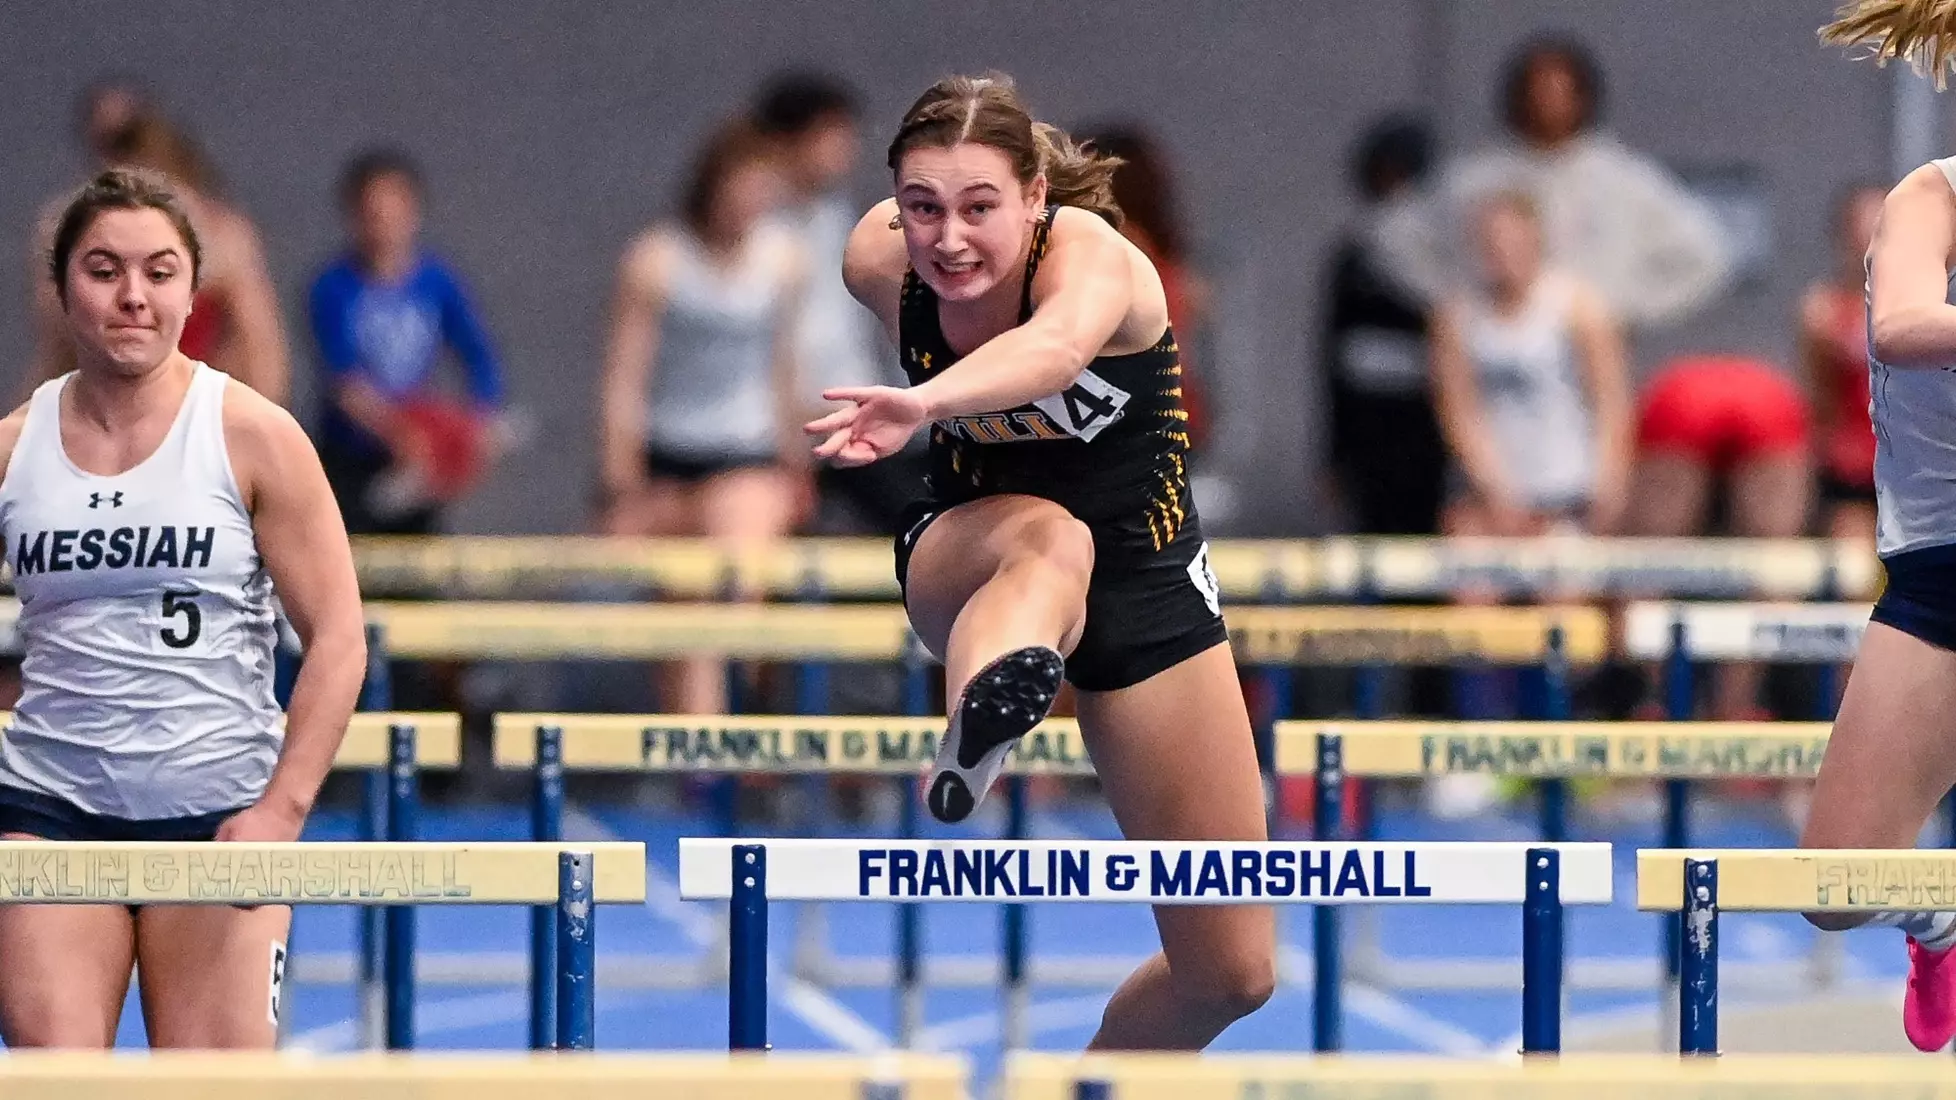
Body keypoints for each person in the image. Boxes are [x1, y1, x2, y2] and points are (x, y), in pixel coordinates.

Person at [810, 73, 1272, 1049]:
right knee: (1049, 539)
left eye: (980, 208)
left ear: (1034, 199)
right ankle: (982, 717)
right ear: (894, 205)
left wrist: (922, 404)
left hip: (1146, 582)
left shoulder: (1096, 256)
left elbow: (1058, 349)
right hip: (969, 545)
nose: (949, 240)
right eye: (923, 209)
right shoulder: (874, 258)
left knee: (1230, 972)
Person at [0, 168, 365, 1047]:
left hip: (219, 816)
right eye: (104, 270)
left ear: (193, 292)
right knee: (56, 1074)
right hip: (51, 811)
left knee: (214, 1082)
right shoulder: (13, 447)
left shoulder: (254, 436)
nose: (133, 296)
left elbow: (340, 638)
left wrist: (283, 810)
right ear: (60, 289)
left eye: (159, 272)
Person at [1807, 0, 1956, 1055]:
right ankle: (1938, 917)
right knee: (1834, 881)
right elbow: (1902, 328)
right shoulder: (1930, 197)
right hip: (1941, 577)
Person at [598, 119, 809, 712]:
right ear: (713, 185)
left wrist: (796, 461)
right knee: (681, 617)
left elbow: (783, 365)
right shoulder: (657, 259)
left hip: (746, 450)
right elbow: (625, 375)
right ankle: (699, 759)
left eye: (762, 190)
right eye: (740, 187)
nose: (750, 203)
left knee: (738, 584)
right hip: (670, 451)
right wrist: (621, 478)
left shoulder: (783, 260)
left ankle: (754, 704)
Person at [308, 149, 509, 534]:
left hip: (416, 464)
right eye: (373, 214)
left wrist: (477, 423)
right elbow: (344, 381)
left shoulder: (438, 282)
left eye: (395, 212)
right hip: (352, 456)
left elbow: (480, 356)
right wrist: (400, 431)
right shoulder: (332, 288)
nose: (385, 226)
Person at [31, 111, 291, 405]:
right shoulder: (69, 230)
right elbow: (59, 345)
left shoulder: (221, 233)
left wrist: (254, 416)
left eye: (159, 272)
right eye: (105, 272)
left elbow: (258, 344)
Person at [1429, 190, 1632, 537]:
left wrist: (1610, 480)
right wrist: (1495, 488)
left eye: (1512, 240)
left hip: (1567, 484)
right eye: (1493, 243)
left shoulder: (1578, 306)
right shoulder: (1458, 315)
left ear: (1535, 238)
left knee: (1564, 589)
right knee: (1473, 577)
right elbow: (1458, 409)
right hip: (1490, 488)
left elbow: (1611, 400)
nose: (1503, 252)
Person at [1323, 114, 1446, 538]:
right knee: (1374, 529)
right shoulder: (1354, 253)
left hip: (1427, 421)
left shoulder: (1446, 249)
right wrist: (1333, 454)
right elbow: (1332, 357)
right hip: (1368, 426)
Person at [1803, 183, 1888, 542]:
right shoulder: (1823, 309)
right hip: (1852, 464)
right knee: (1854, 565)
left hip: (1919, 464)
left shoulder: (1932, 301)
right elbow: (1818, 398)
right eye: (1863, 230)